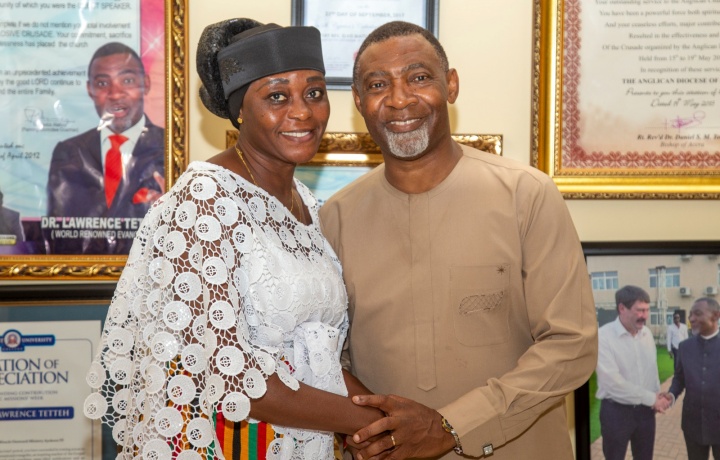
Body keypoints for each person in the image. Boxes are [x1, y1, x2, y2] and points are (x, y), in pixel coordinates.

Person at [83, 19, 382, 459]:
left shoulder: (305, 203)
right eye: (277, 96)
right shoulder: (204, 200)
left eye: (315, 93)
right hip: (231, 445)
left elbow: (315, 352)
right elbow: (233, 378)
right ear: (239, 108)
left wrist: (384, 415)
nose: (303, 112)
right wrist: (371, 422)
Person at [319, 21, 598, 459]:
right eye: (378, 84)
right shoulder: (334, 219)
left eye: (418, 77)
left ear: (450, 85)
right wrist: (369, 429)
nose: (399, 99)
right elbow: (330, 357)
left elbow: (571, 345)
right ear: (358, 101)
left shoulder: (526, 195)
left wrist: (452, 426)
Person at [46, 42, 165, 254]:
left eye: (127, 81)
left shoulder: (171, 148)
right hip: (82, 272)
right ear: (89, 90)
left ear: (145, 84)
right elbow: (56, 235)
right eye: (102, 83)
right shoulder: (68, 152)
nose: (115, 94)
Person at [595, 285, 670, 460]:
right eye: (640, 310)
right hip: (616, 413)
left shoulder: (647, 334)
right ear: (622, 308)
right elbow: (612, 383)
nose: (645, 316)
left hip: (646, 412)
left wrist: (656, 395)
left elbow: (651, 369)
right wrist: (652, 399)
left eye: (647, 310)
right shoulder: (603, 337)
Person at [663, 297, 720, 460]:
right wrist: (671, 394)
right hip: (693, 424)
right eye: (690, 315)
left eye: (697, 314)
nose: (691, 319)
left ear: (716, 315)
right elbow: (679, 378)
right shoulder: (685, 347)